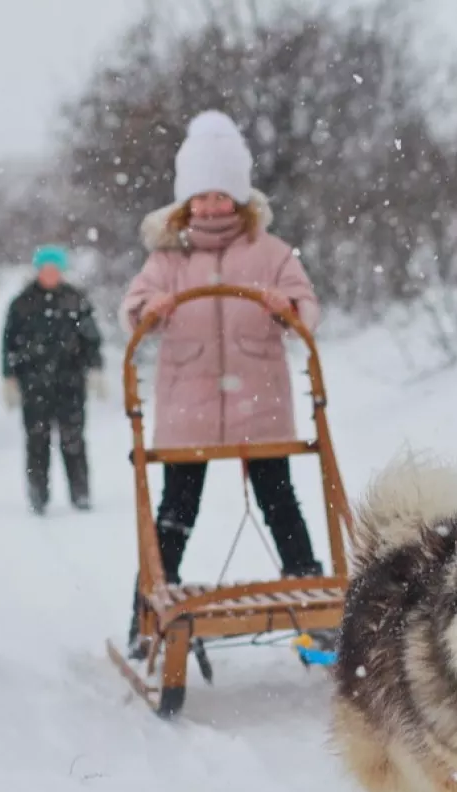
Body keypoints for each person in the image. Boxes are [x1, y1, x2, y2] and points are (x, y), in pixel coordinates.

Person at [120, 110, 325, 650]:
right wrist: (151, 307)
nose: (213, 206)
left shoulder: (271, 252)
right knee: (176, 511)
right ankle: (150, 608)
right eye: (202, 196)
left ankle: (313, 596)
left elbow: (308, 309)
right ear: (186, 202)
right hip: (188, 406)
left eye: (223, 195)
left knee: (279, 499)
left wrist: (288, 308)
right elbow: (132, 309)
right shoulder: (167, 257)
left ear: (241, 197)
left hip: (260, 402)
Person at [1, 245, 106, 515]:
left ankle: (80, 494)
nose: (50, 274)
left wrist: (96, 369)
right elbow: (9, 343)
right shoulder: (22, 303)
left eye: (54, 269)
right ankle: (38, 495)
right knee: (37, 441)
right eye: (45, 269)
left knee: (74, 440)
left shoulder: (75, 300)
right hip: (33, 384)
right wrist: (9, 377)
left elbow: (91, 338)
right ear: (38, 270)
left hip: (70, 383)